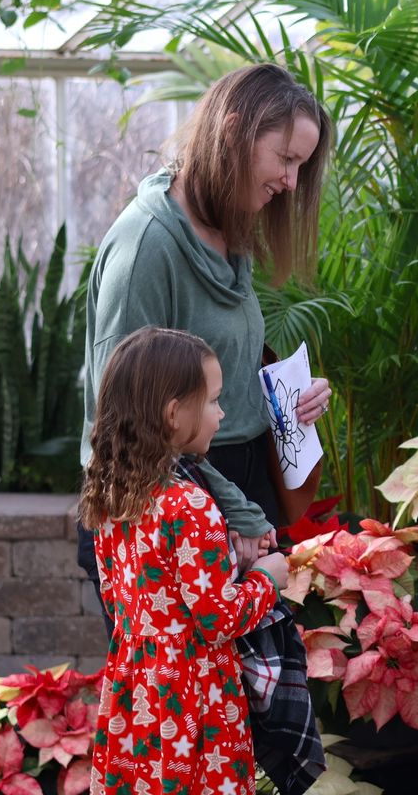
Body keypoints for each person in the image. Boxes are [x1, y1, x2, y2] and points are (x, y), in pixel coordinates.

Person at [77, 63, 335, 620]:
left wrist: (292, 401)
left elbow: (221, 371)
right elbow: (124, 429)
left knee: (250, 704)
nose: (292, 182)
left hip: (238, 497)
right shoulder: (147, 245)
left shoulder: (230, 230)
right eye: (286, 159)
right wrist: (232, 514)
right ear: (235, 130)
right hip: (172, 509)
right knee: (185, 702)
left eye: (302, 166)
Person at [80, 327, 290, 795]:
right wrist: (266, 578)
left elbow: (120, 601)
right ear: (175, 414)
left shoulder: (112, 497)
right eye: (214, 401)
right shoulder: (190, 505)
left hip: (136, 691)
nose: (222, 413)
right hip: (194, 702)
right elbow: (218, 618)